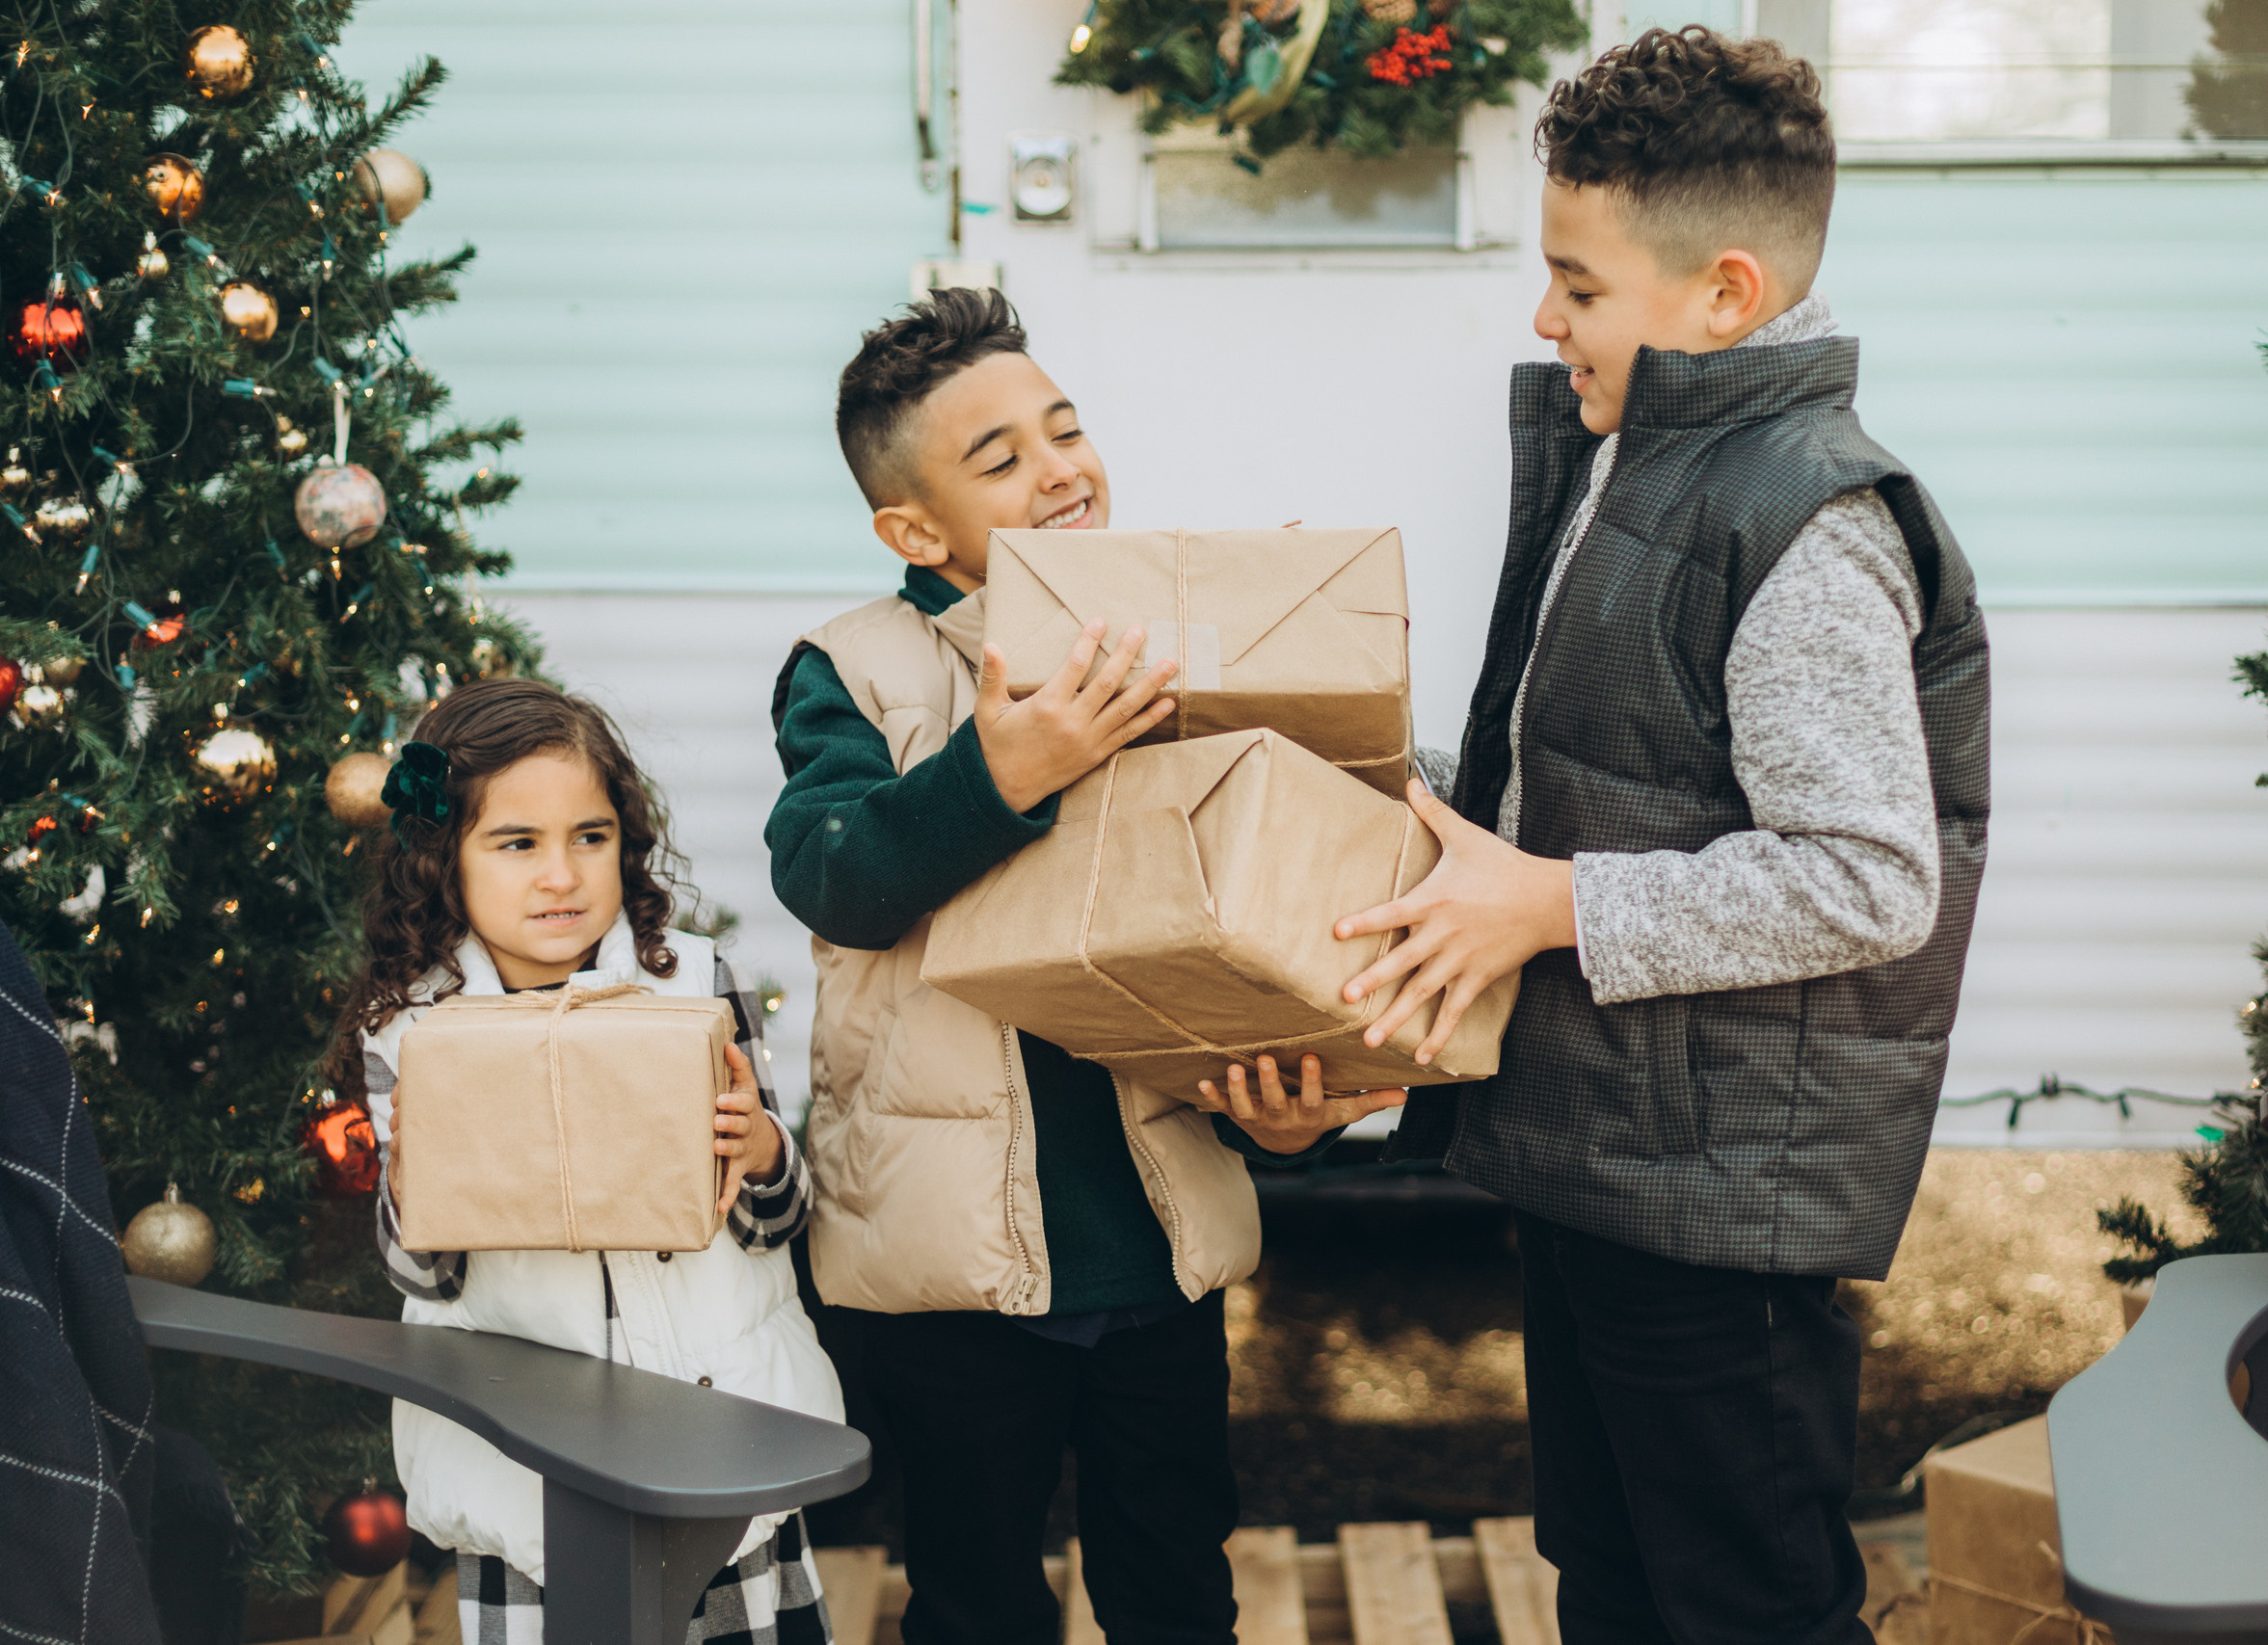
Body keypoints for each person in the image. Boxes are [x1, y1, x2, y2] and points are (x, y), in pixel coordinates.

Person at [1323, 29, 1990, 1644]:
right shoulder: (1643, 459)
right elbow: (1598, 769)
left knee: (1740, 1603)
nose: (1543, 317)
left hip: (1719, 1201)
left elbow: (1867, 874)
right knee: (1614, 1582)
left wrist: (1550, 906)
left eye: (1577, 282)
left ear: (1725, 295)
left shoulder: (1808, 520)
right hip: (1610, 1158)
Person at [768, 287, 1398, 1645]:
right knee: (978, 1594)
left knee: (1176, 1582)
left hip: (1153, 1248)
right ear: (914, 528)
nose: (1061, 467)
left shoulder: (1173, 640)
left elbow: (1254, 911)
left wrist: (1282, 1113)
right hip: (949, 1278)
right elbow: (833, 875)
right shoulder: (854, 670)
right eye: (1000, 458)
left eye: (1065, 429)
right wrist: (1003, 767)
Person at [334, 677, 841, 1645]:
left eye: (590, 837)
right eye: (517, 843)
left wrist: (764, 1151)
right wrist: (416, 1192)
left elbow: (777, 1219)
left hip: (719, 1438)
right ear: (446, 858)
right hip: (536, 1482)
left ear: (625, 843)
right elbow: (422, 1278)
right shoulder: (410, 1029)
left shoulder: (690, 981)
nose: (560, 874)